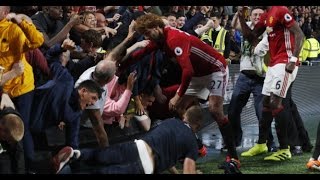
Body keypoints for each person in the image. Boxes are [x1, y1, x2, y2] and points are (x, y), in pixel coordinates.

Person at [120, 13, 240, 170]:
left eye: (148, 33)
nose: (148, 37)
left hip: (215, 68)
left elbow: (187, 71)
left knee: (215, 110)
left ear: (157, 27)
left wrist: (177, 95)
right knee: (177, 108)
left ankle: (233, 157)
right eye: (145, 35)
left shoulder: (173, 38)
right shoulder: (159, 38)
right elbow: (139, 55)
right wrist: (119, 65)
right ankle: (196, 146)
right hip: (198, 72)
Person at [53, 105, 204, 174]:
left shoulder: (170, 121)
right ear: (197, 124)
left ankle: (76, 154)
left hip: (137, 145)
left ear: (185, 116)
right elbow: (188, 170)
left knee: (101, 155)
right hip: (145, 165)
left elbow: (165, 149)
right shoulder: (191, 141)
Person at [238, 6, 304, 161]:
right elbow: (251, 37)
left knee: (276, 103)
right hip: (273, 65)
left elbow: (299, 34)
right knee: (266, 104)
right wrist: (241, 17)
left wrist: (293, 60)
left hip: (285, 62)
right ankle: (262, 143)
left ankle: (284, 148)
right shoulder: (266, 16)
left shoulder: (280, 10)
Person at [0, 6, 44, 171]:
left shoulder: (13, 28)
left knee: (20, 128)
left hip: (22, 87)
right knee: (6, 131)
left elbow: (37, 41)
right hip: (3, 87)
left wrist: (21, 21)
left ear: (5, 13)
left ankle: (30, 166)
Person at [228, 7, 276, 151]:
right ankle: (235, 140)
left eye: (260, 15)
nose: (256, 17)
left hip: (261, 79)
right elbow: (233, 25)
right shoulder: (247, 26)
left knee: (262, 113)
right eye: (254, 14)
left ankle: (269, 142)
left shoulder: (268, 29)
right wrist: (239, 13)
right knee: (233, 111)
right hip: (244, 77)